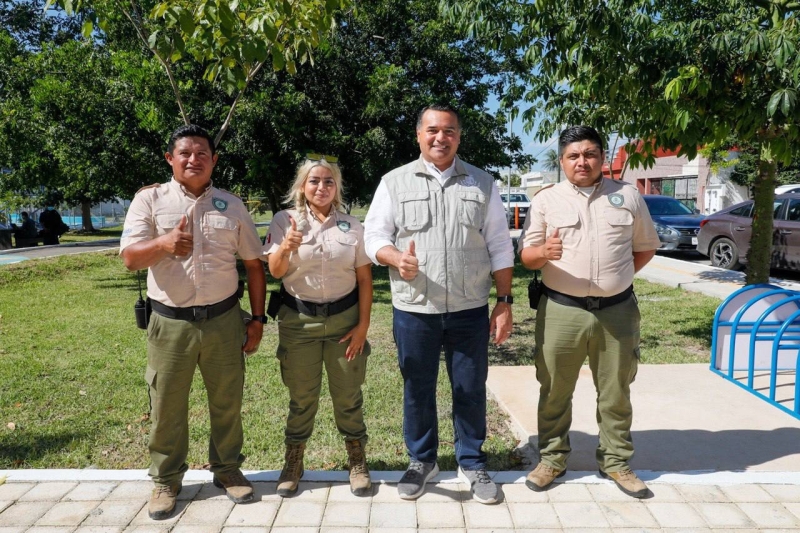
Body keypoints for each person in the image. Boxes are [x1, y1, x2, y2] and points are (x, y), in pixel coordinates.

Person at [364, 104, 514, 504]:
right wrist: (395, 257)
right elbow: (373, 237)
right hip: (415, 308)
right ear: (418, 135)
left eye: (449, 131)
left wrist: (504, 301)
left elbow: (500, 245)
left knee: (470, 387)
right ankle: (422, 461)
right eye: (432, 130)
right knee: (417, 387)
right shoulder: (394, 182)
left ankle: (472, 462)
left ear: (459, 137)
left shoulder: (483, 183)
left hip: (469, 307)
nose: (440, 137)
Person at [120, 124, 266, 520]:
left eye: (202, 153)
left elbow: (254, 265)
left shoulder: (231, 205)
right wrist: (164, 243)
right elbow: (130, 257)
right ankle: (167, 480)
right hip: (171, 323)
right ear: (170, 158)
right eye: (185, 153)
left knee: (227, 401)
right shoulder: (150, 200)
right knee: (166, 404)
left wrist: (257, 319)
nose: (193, 159)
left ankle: (227, 469)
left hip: (224, 320)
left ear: (214, 160)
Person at [518, 125, 661, 499]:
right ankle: (552, 460)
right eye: (573, 155)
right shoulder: (546, 200)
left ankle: (616, 461)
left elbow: (645, 247)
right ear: (562, 161)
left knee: (616, 391)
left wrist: (616, 278)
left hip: (617, 311)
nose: (582, 161)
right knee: (554, 389)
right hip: (561, 310)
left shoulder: (628, 196)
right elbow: (527, 256)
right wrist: (543, 253)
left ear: (601, 157)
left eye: (589, 154)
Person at [264, 155, 373, 497]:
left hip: (345, 322)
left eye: (329, 181)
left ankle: (357, 459)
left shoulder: (352, 226)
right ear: (302, 186)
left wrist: (363, 327)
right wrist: (286, 247)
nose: (321, 187)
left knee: (348, 394)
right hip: (299, 323)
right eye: (314, 181)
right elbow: (275, 271)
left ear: (337, 187)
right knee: (301, 397)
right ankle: (293, 461)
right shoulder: (284, 221)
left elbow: (364, 279)